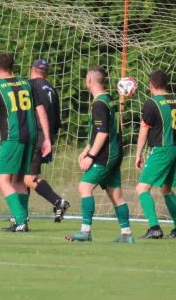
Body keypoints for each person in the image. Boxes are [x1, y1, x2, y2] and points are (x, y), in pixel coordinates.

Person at [0, 53, 51, 232]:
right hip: (31, 136)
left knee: (2, 180)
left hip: (13, 137)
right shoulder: (26, 83)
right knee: (18, 180)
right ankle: (22, 221)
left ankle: (20, 221)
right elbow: (41, 111)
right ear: (12, 67)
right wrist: (46, 138)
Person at [65, 66, 134, 243]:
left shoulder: (99, 104)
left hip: (105, 154)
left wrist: (91, 156)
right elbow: (102, 131)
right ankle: (126, 234)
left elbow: (102, 133)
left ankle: (85, 232)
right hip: (115, 152)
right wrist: (85, 150)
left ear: (89, 81)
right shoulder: (110, 100)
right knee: (115, 194)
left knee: (84, 187)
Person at [135, 70, 176, 239]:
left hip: (163, 149)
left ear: (151, 85)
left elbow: (144, 130)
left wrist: (138, 153)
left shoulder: (152, 103)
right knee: (166, 189)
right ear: (167, 84)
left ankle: (154, 227)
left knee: (142, 188)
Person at [27, 59, 69, 222]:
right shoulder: (52, 88)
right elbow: (57, 119)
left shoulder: (31, 86)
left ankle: (58, 201)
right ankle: (21, 216)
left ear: (32, 69)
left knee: (28, 176)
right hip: (48, 134)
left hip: (36, 133)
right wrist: (49, 138)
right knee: (24, 175)